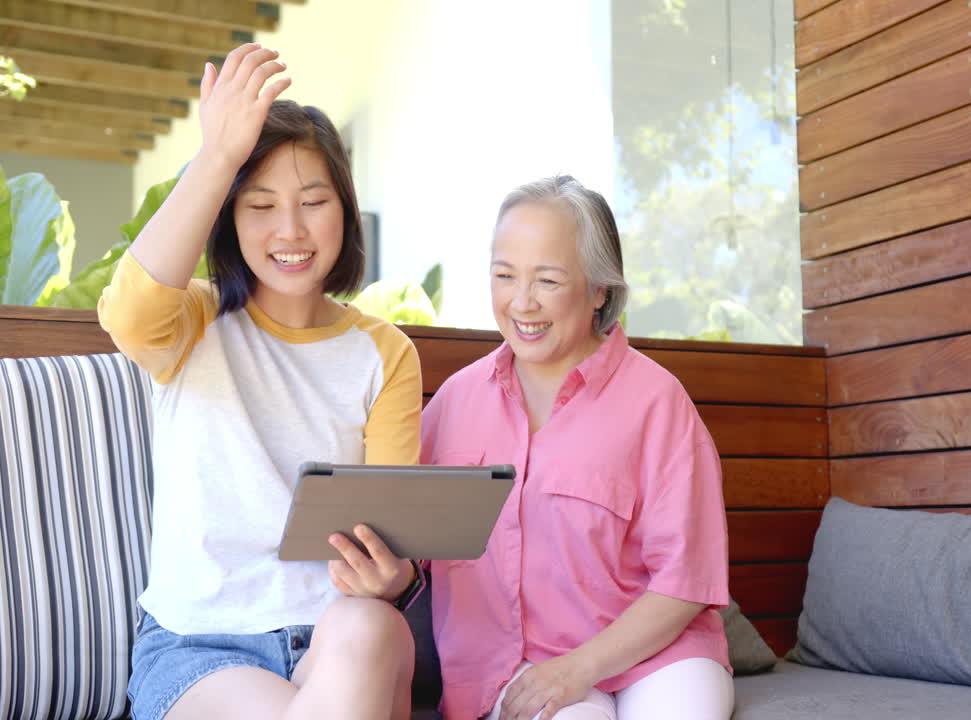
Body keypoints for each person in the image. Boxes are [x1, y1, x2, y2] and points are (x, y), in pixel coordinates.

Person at [98, 43, 424, 720]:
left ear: (345, 209)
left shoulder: (383, 353)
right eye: (260, 205)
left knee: (375, 626)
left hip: (334, 642)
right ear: (229, 215)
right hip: (201, 651)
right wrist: (218, 154)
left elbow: (395, 532)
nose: (291, 230)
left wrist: (395, 579)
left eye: (313, 201)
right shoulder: (193, 322)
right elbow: (128, 312)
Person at [419, 175, 734, 720]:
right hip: (511, 664)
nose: (522, 302)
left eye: (548, 279)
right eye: (504, 276)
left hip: (661, 657)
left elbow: (686, 581)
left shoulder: (658, 400)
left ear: (599, 289)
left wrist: (581, 668)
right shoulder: (454, 403)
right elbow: (407, 541)